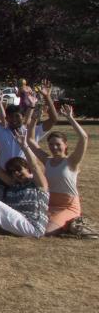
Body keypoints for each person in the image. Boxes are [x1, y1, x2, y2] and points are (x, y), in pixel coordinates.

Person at [37, 101, 94, 237]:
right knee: (36, 225)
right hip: (50, 205)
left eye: (58, 144)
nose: (54, 147)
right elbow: (30, 142)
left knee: (46, 232)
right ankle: (67, 225)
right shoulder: (47, 161)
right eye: (51, 144)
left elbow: (84, 138)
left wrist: (70, 118)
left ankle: (72, 223)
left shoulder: (72, 162)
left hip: (68, 206)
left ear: (65, 145)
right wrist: (34, 119)